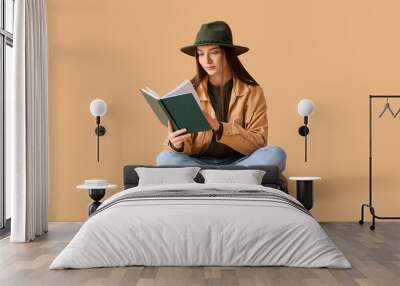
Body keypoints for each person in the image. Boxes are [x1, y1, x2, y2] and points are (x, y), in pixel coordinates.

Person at [156, 21, 286, 171]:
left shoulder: (252, 92)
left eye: (214, 52)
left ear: (228, 54)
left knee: (276, 154)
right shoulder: (189, 91)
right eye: (201, 53)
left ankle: (210, 179)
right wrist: (176, 145)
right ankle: (227, 179)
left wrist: (219, 127)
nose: (206, 61)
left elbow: (259, 143)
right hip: (199, 163)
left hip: (240, 162)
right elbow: (181, 150)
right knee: (164, 158)